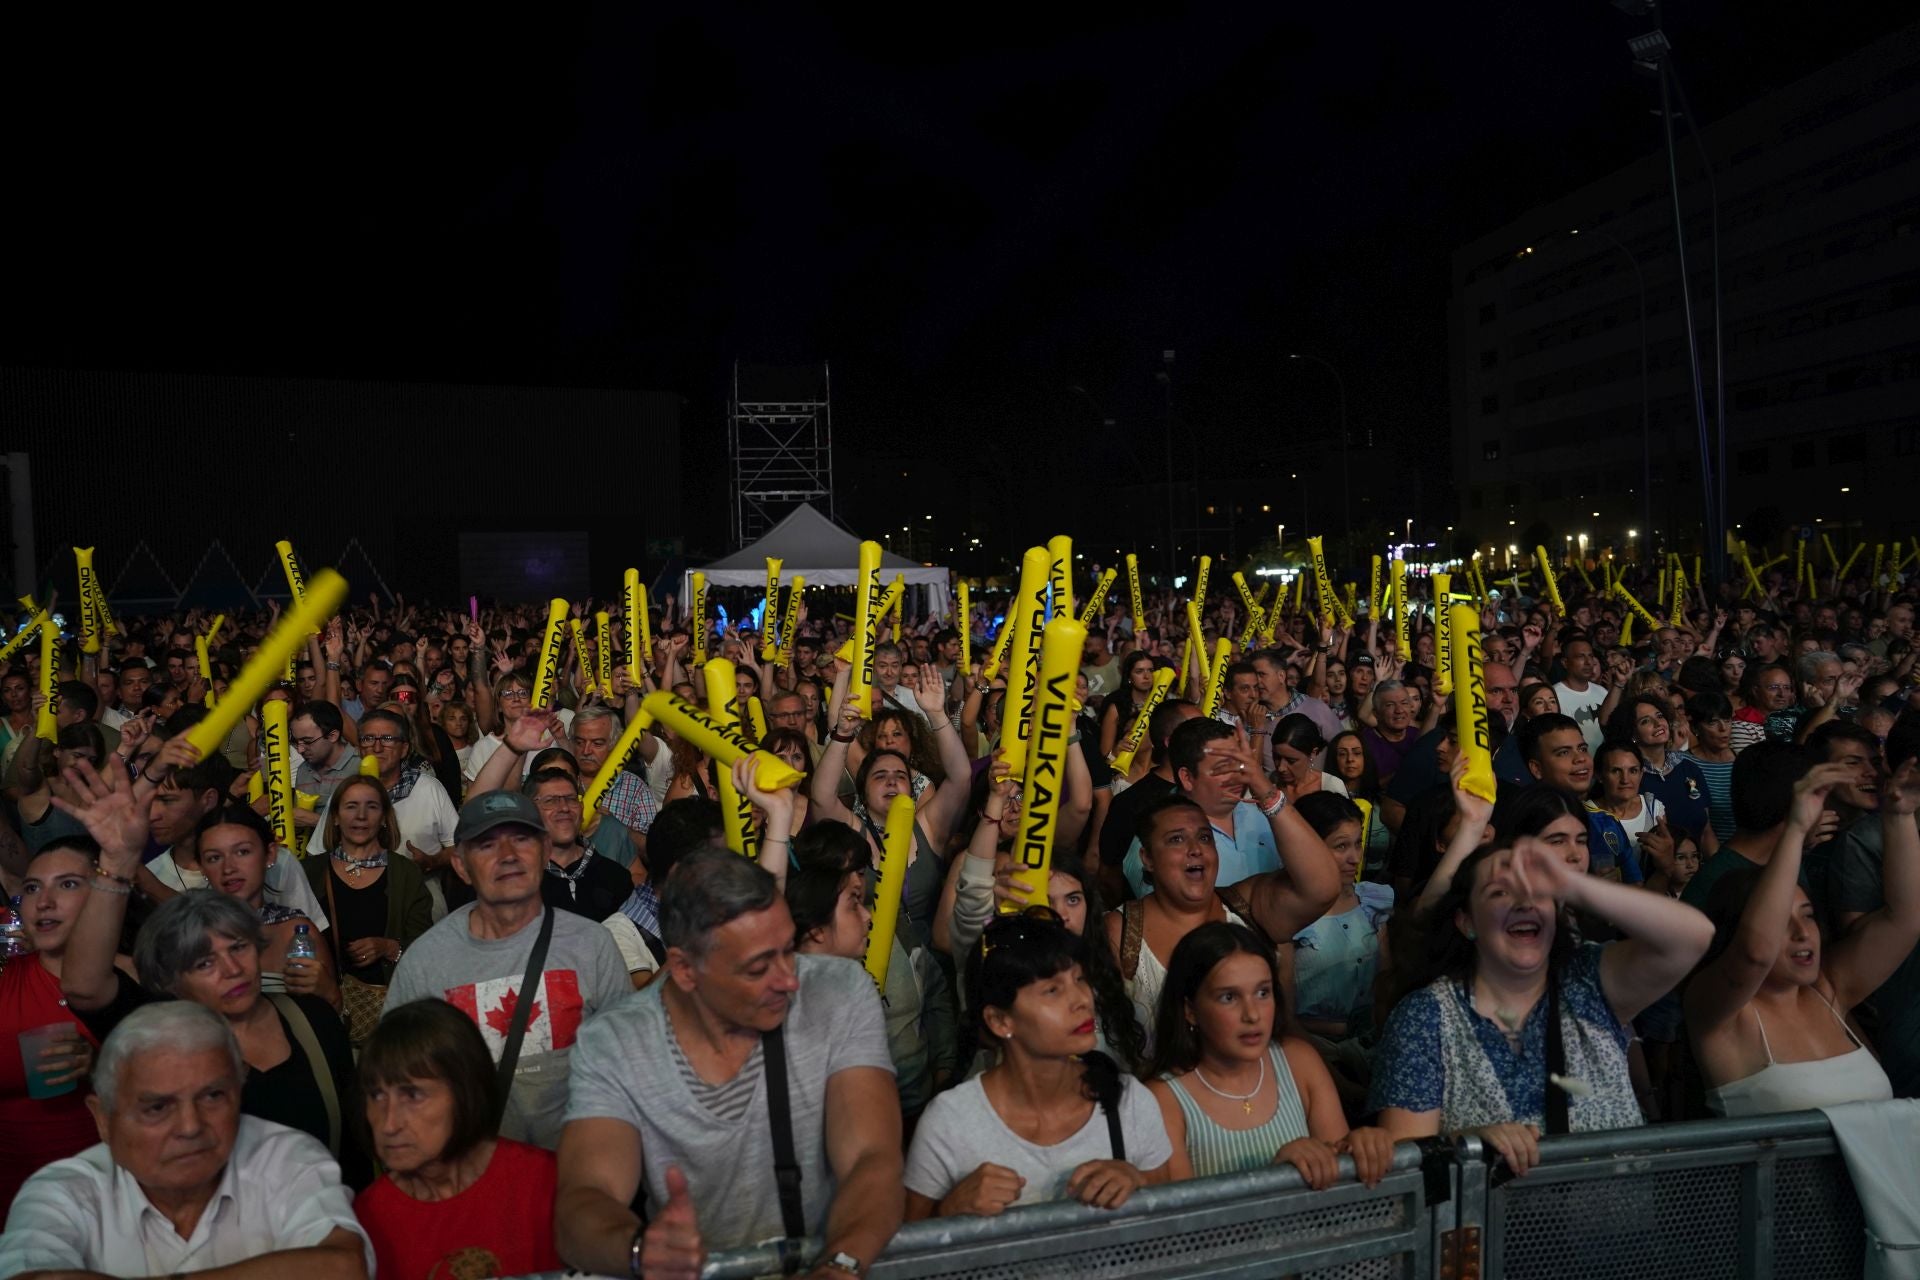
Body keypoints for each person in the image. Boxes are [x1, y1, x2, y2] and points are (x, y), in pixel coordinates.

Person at [555, 849, 902, 1279]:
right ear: (683, 969)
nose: (790, 980)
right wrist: (642, 1248)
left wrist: (841, 1265)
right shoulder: (614, 1044)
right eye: (758, 967)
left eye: (788, 949)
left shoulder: (839, 991)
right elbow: (585, 1199)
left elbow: (874, 1156)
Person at [1370, 835, 1713, 1175]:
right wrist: (1468, 1143)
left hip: (1628, 1226)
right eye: (1500, 892)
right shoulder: (1425, 1016)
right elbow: (1404, 1166)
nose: (1524, 903)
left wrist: (1569, 883)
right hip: (1501, 1226)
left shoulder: (1588, 979)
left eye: (1538, 892)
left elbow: (1693, 937)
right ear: (1467, 923)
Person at [0, 1001, 371, 1279]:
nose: (191, 1126)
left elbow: (343, 1266)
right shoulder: (62, 1191)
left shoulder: (287, 1156)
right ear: (103, 1119)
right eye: (158, 1107)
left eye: (212, 1097)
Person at [381, 789, 630, 1149]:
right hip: (474, 1178)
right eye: (486, 845)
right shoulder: (425, 963)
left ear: (545, 851)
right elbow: (399, 1086)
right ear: (461, 866)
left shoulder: (592, 946)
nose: (508, 856)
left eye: (521, 839)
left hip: (578, 1175)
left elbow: (625, 1067)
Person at [1687, 758, 1918, 1115]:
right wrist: (1795, 829)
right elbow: (1756, 954)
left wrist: (1899, 817)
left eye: (1808, 916)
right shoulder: (1718, 1014)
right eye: (1781, 922)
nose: (1801, 933)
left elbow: (1905, 919)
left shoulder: (1830, 991)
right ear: (1738, 932)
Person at [905, 911, 1172, 1218]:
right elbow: (909, 1251)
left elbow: (1171, 1226)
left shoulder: (1130, 1102)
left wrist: (1140, 1183)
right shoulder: (949, 1123)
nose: (1082, 1000)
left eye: (1080, 979)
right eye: (1053, 990)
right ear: (1000, 1020)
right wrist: (948, 1211)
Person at [1146, 923, 1394, 1187]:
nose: (1252, 1014)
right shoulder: (1163, 1099)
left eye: (1263, 992)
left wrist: (1361, 1149)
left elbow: (1341, 1191)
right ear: (1190, 1010)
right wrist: (1276, 1178)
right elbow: (1185, 1222)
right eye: (1229, 997)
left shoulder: (1299, 1062)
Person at [352, 998, 564, 1280]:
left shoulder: (549, 1182)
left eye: (413, 1095)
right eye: (377, 1096)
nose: (389, 1124)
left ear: (466, 1092)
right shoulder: (367, 1219)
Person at [0, 837, 103, 1214]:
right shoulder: (5, 978)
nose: (44, 902)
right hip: (13, 1215)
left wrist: (99, 1068)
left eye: (68, 884)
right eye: (32, 888)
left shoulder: (138, 979)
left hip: (110, 1203)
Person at [302, 773, 434, 1043]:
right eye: (351, 806)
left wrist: (389, 947)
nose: (360, 816)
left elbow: (426, 947)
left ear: (385, 817)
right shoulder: (309, 872)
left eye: (371, 807)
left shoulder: (405, 873)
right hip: (320, 1013)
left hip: (389, 1014)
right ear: (336, 817)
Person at [1283, 793, 1394, 1040]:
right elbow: (1281, 1013)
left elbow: (1385, 986)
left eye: (1357, 843)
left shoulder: (1370, 902)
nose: (1354, 858)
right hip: (1312, 1049)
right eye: (1341, 846)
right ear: (1307, 845)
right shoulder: (1285, 916)